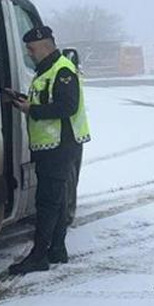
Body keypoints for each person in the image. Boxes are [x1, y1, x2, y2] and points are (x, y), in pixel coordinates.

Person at [7, 26, 90, 274]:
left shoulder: (62, 69)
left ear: (45, 45)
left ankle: (39, 256)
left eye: (32, 49)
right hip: (53, 145)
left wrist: (31, 110)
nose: (30, 54)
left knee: (47, 202)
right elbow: (48, 100)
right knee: (58, 200)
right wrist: (22, 100)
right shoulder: (48, 70)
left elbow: (67, 106)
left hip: (59, 146)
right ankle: (57, 249)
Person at [61, 48, 84, 225]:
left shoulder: (63, 71)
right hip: (73, 133)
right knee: (69, 176)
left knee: (67, 177)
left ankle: (66, 213)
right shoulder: (70, 69)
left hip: (69, 133)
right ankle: (67, 211)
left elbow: (68, 106)